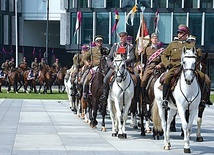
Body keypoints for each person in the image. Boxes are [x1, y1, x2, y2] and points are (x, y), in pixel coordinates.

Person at [161, 24, 205, 109]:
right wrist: (167, 64)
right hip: (174, 66)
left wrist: (198, 50)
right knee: (167, 77)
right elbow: (164, 55)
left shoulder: (190, 45)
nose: (179, 35)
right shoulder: (172, 44)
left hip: (188, 67)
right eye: (179, 33)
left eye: (181, 33)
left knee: (202, 76)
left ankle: (202, 99)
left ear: (186, 35)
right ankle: (165, 99)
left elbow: (198, 55)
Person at [99, 32, 135, 103]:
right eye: (120, 37)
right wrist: (111, 65)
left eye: (123, 37)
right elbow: (109, 57)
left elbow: (132, 57)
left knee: (136, 77)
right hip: (115, 67)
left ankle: (135, 96)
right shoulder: (115, 46)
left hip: (126, 67)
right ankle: (104, 95)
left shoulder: (130, 47)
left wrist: (124, 63)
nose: (121, 38)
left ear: (126, 37)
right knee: (106, 79)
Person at [187, 35, 213, 106]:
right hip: (186, 68)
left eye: (193, 41)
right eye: (190, 41)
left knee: (207, 80)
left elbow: (199, 59)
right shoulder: (185, 49)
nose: (191, 42)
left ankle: (205, 98)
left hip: (196, 68)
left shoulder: (198, 50)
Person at [82, 35, 109, 100]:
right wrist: (87, 63)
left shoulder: (105, 50)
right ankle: (85, 92)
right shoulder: (92, 50)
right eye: (98, 41)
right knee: (86, 78)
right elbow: (84, 58)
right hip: (94, 67)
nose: (99, 43)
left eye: (101, 41)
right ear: (95, 42)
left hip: (104, 68)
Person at [141, 33, 165, 101]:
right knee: (143, 80)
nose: (155, 39)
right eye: (154, 38)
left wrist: (160, 65)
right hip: (149, 67)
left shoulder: (161, 50)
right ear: (151, 39)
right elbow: (142, 59)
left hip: (158, 68)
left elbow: (163, 60)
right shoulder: (146, 49)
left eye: (156, 38)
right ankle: (143, 97)